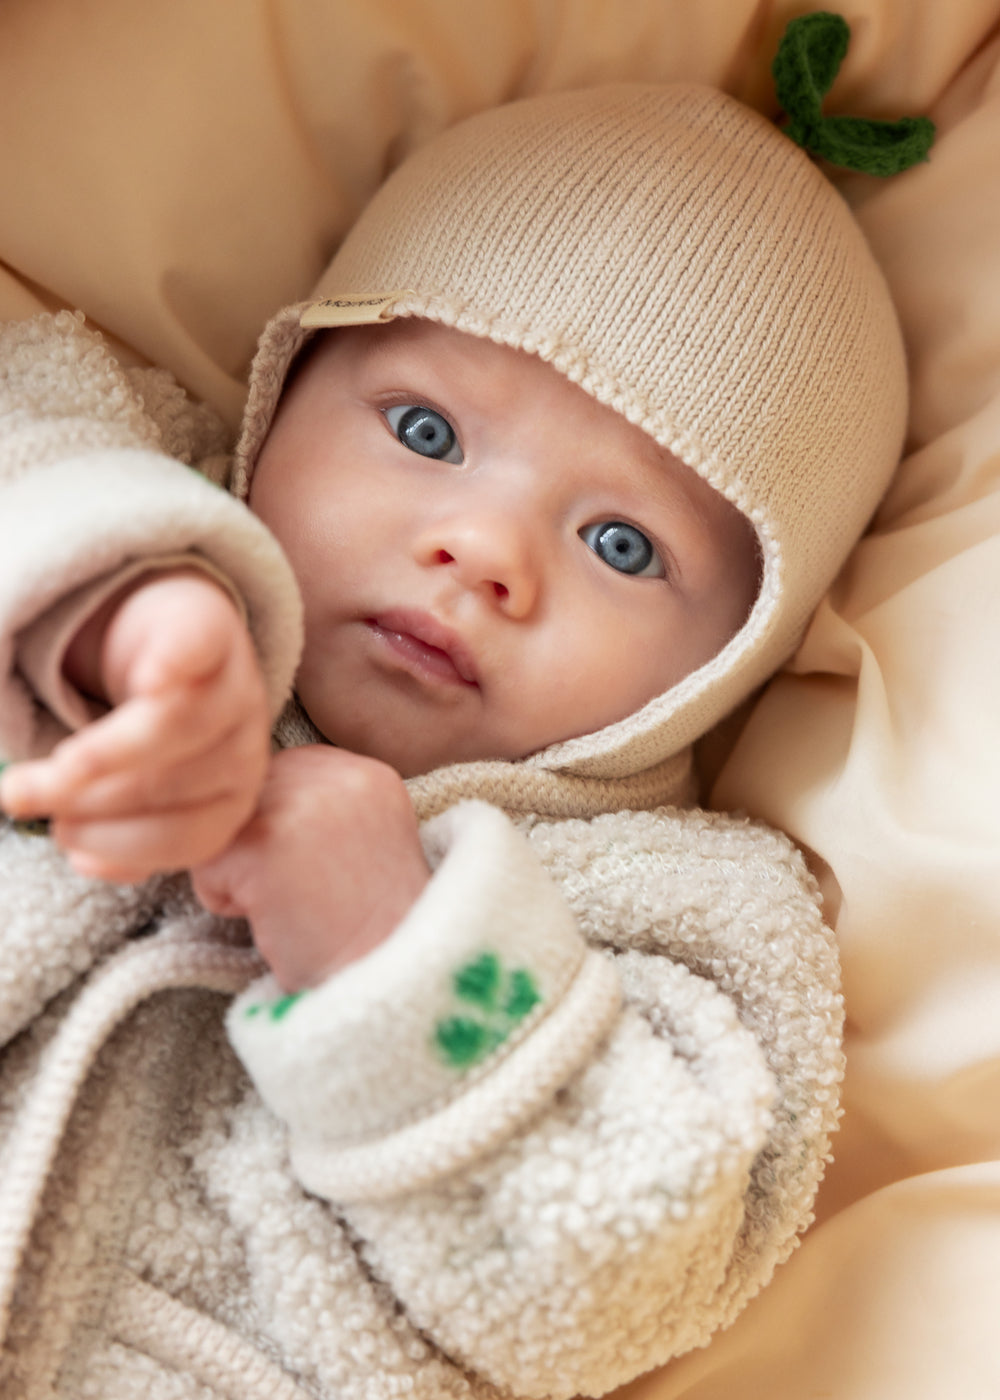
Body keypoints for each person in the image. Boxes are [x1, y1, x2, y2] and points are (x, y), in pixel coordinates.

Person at [0, 80, 906, 1399]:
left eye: (622, 545)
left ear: (738, 654)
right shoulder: (126, 473)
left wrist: (396, 946)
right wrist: (118, 605)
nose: (481, 553)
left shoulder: (693, 910)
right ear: (284, 379)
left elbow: (618, 1264)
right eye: (426, 431)